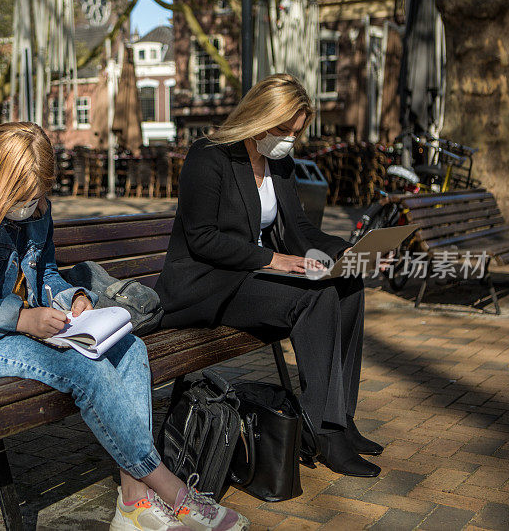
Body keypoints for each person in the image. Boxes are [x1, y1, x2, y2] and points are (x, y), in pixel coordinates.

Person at [0, 122, 249, 531]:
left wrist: (73, 298)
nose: (32, 205)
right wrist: (24, 319)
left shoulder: (37, 208)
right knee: (82, 369)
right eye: (22, 195)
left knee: (131, 349)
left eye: (38, 194)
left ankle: (132, 502)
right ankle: (173, 491)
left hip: (6, 322)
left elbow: (45, 272)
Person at [155, 74, 384, 478]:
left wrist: (345, 252)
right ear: (259, 116)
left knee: (347, 284)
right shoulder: (209, 155)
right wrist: (273, 260)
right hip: (208, 284)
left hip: (250, 277)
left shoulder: (279, 162)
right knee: (314, 299)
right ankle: (324, 433)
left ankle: (343, 421)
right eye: (283, 129)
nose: (289, 139)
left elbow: (300, 229)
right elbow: (202, 238)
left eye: (296, 131)